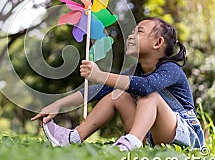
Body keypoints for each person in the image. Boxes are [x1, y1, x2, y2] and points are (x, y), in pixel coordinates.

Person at [31, 17, 204, 151]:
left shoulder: (170, 69)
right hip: (151, 137)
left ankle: (130, 143)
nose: (131, 35)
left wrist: (100, 75)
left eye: (139, 32)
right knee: (117, 94)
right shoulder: (135, 71)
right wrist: (58, 104)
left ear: (158, 43)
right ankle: (73, 138)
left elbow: (146, 86)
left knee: (149, 95)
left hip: (184, 136)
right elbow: (98, 90)